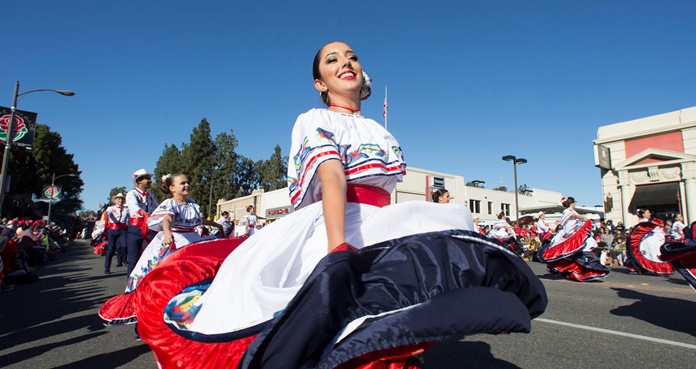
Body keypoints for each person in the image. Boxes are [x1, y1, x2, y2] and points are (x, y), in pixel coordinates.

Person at [129, 41, 547, 368]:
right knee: (325, 322)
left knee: (391, 315)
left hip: (380, 219)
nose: (345, 62)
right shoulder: (313, 119)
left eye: (352, 57)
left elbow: (384, 191)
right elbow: (332, 177)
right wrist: (337, 247)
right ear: (320, 82)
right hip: (336, 221)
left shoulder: (378, 130)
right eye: (332, 61)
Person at [99, 173, 223, 325]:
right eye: (182, 183)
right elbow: (167, 218)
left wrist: (216, 225)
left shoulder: (192, 204)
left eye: (188, 182)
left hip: (193, 241)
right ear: (172, 188)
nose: (187, 185)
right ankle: (151, 319)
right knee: (163, 280)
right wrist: (166, 232)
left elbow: (197, 219)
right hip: (175, 240)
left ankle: (189, 314)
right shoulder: (170, 203)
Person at [538, 197, 609, 281]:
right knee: (574, 252)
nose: (575, 204)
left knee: (578, 252)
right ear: (572, 203)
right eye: (575, 202)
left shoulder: (570, 211)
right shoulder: (568, 211)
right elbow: (574, 216)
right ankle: (576, 271)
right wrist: (583, 217)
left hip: (574, 233)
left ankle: (578, 270)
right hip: (570, 234)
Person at [125, 169, 159, 276]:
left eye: (150, 178)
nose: (150, 181)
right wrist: (141, 211)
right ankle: (130, 284)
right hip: (135, 229)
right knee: (133, 258)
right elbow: (133, 206)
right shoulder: (132, 194)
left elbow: (157, 208)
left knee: (149, 256)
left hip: (148, 228)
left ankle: (146, 280)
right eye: (147, 178)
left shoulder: (150, 195)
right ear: (139, 181)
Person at [625, 208, 672, 275]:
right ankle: (655, 268)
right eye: (647, 213)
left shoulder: (650, 222)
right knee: (651, 255)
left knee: (652, 254)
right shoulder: (644, 222)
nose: (649, 214)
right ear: (643, 214)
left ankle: (651, 268)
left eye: (649, 213)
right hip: (649, 241)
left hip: (655, 240)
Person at [103, 193, 129, 274]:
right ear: (115, 200)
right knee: (111, 249)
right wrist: (107, 214)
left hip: (122, 230)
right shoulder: (111, 208)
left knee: (124, 245)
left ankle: (124, 259)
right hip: (113, 230)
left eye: (122, 199)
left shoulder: (127, 208)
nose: (120, 201)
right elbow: (107, 213)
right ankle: (107, 267)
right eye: (118, 199)